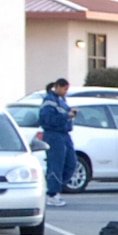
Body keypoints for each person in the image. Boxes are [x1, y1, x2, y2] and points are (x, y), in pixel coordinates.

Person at [39, 78, 77, 206]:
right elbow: (47, 119)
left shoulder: (62, 100)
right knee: (56, 163)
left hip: (65, 134)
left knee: (71, 163)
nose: (66, 92)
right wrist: (67, 116)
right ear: (58, 87)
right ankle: (52, 193)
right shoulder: (49, 101)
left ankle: (58, 188)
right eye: (65, 89)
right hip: (53, 135)